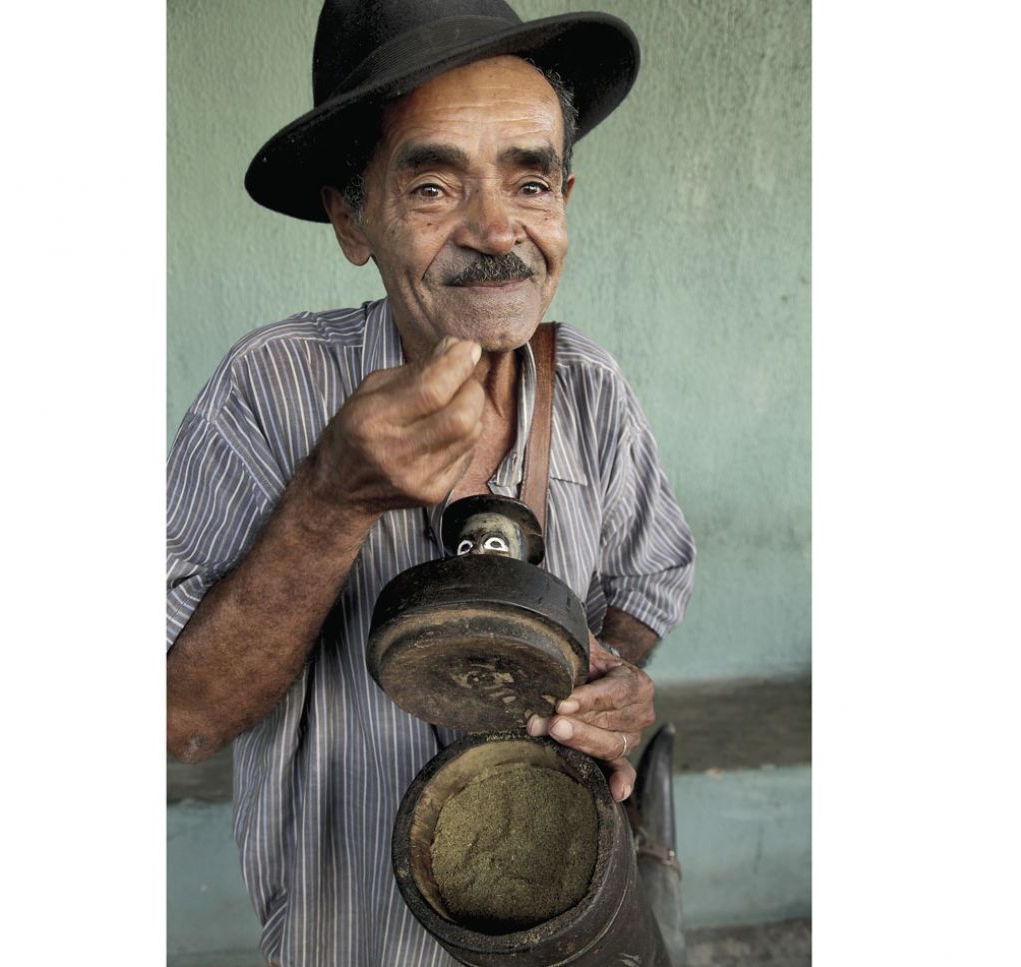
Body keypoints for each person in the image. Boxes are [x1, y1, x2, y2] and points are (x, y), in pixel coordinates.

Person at [166, 1, 695, 964]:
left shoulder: (593, 390)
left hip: (557, 926)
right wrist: (330, 497)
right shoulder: (270, 390)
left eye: (530, 181)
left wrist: (613, 676)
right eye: (433, 187)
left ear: (565, 198)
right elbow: (178, 717)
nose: (498, 231)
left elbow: (646, 585)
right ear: (350, 215)